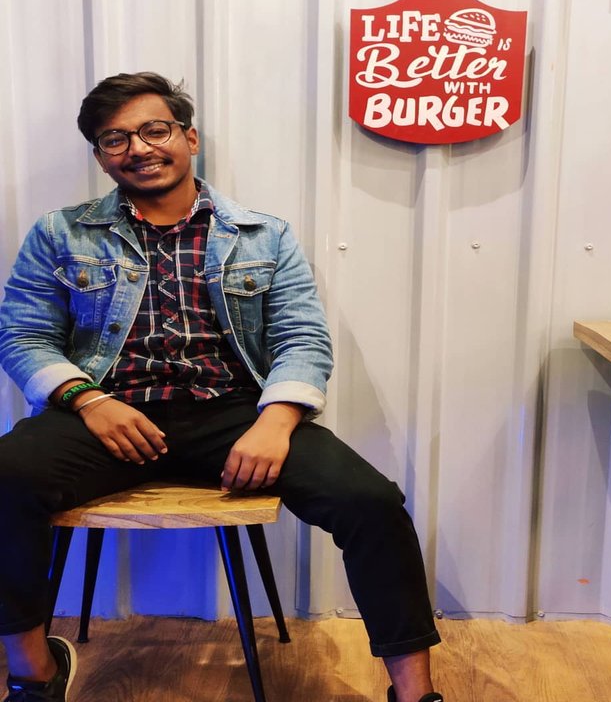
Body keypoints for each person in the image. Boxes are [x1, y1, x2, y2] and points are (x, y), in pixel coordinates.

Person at [0, 72, 443, 702]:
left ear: (190, 138)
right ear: (100, 157)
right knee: (5, 478)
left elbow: (302, 338)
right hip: (108, 414)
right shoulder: (60, 233)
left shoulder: (262, 234)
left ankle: (415, 693)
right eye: (115, 139)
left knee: (370, 502)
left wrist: (277, 421)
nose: (138, 148)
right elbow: (23, 336)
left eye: (154, 130)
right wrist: (88, 401)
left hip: (232, 414)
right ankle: (35, 674)